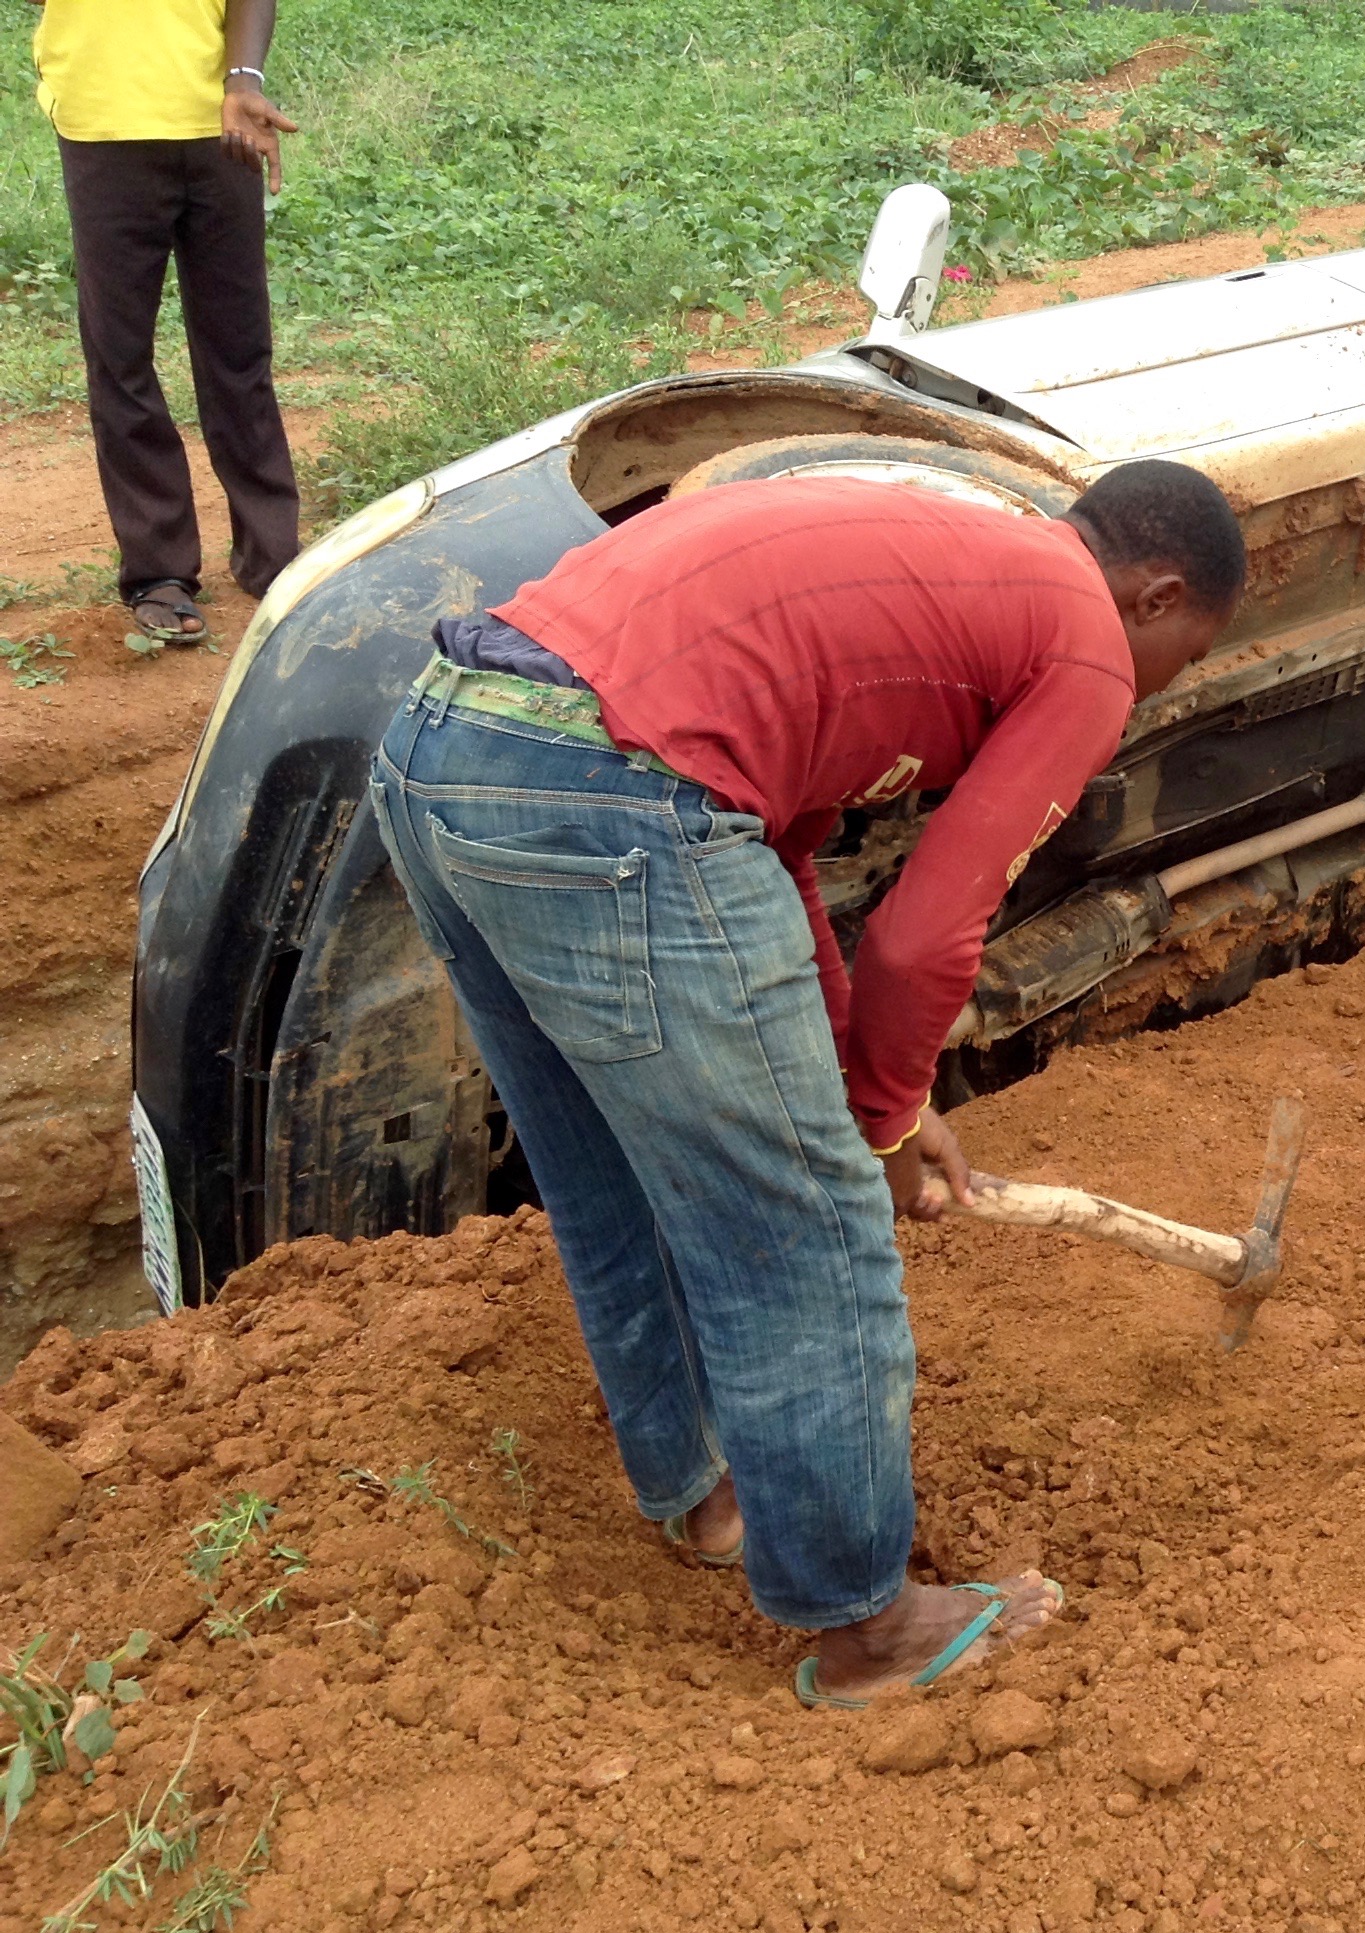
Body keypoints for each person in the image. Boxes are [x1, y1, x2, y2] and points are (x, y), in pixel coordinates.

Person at [369, 461, 1247, 1701]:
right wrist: (871, 1137)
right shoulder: (1089, 642)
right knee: (813, 1224)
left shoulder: (947, 556)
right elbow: (924, 935)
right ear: (1155, 595)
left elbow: (773, 855)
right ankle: (871, 1630)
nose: (1163, 684)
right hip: (610, 798)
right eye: (1186, 655)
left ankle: (707, 1495)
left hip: (443, 746)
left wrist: (875, 1093)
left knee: (608, 1166)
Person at [29, 0, 302, 641]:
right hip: (103, 130)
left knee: (239, 350)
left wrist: (243, 79)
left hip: (221, 127)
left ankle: (274, 558)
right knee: (120, 356)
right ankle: (158, 572)